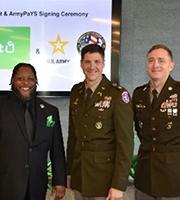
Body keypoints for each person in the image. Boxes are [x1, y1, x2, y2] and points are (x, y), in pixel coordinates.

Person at [0, 63, 66, 200]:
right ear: (12, 80)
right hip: (5, 185)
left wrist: (59, 180)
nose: (26, 83)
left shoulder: (49, 111)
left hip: (36, 186)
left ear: (36, 82)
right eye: (20, 78)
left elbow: (57, 150)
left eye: (31, 79)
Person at [132, 44, 180, 200]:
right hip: (145, 176)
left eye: (161, 60)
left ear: (171, 65)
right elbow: (141, 131)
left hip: (175, 179)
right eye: (151, 60)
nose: (155, 65)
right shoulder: (139, 94)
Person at [66, 44, 134, 200]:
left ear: (103, 63)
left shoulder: (117, 94)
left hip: (105, 179)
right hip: (80, 174)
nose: (92, 67)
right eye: (87, 62)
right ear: (81, 64)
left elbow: (126, 143)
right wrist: (69, 171)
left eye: (97, 62)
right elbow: (73, 137)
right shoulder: (76, 92)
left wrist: (119, 183)